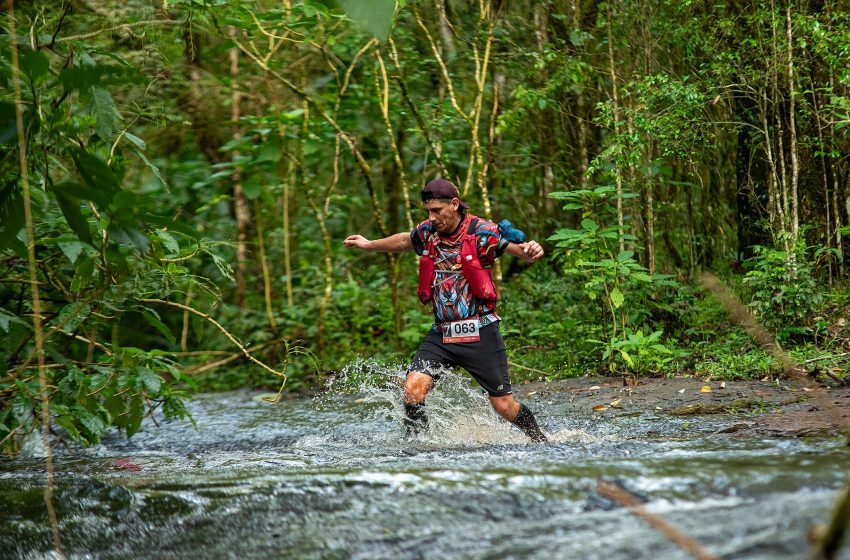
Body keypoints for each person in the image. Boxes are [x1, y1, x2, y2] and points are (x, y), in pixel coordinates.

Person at [343, 178, 547, 443]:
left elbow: (519, 251)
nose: (431, 216)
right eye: (428, 211)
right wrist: (369, 244)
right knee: (412, 390)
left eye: (437, 210)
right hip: (442, 333)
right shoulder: (428, 232)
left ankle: (541, 441)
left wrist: (532, 249)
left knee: (504, 406)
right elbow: (405, 240)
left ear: (454, 204)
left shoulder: (482, 231)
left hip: (480, 330)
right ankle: (418, 446)